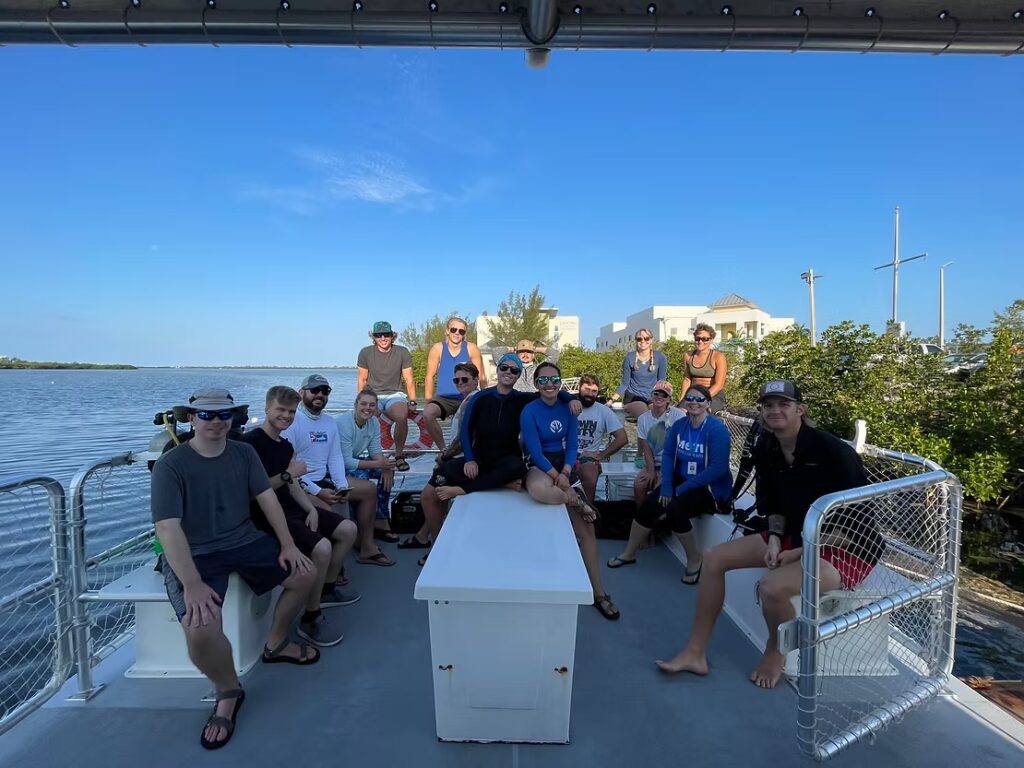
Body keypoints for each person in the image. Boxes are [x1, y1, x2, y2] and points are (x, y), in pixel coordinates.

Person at [655, 379, 882, 690]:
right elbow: (771, 504)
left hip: (846, 546)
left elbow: (857, 524)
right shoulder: (767, 447)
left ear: (801, 410)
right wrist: (775, 539)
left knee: (771, 588)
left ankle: (775, 652)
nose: (775, 410)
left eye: (784, 404)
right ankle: (695, 652)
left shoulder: (834, 453)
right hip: (797, 534)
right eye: (768, 405)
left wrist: (801, 552)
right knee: (713, 558)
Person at [153, 387, 317, 750]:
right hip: (193, 552)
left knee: (305, 571)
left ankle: (276, 643)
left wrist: (288, 545)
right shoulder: (171, 465)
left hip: (242, 539)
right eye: (207, 415)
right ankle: (228, 690)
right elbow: (167, 528)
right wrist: (191, 583)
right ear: (191, 418)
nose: (216, 422)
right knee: (199, 630)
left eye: (224, 415)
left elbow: (267, 498)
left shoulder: (243, 454)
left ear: (234, 418)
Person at [243, 386, 360, 648]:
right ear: (266, 408)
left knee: (348, 530)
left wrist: (309, 508)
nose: (286, 416)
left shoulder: (285, 445)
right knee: (322, 547)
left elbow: (293, 483)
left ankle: (326, 589)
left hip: (293, 507)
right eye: (280, 410)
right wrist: (289, 474)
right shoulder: (250, 444)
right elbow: (253, 494)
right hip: (266, 515)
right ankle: (311, 617)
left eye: (291, 412)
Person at [521, 362, 619, 621]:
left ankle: (598, 593)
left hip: (564, 465)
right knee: (539, 490)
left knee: (587, 532)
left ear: (561, 382)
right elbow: (534, 451)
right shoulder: (529, 411)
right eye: (543, 380)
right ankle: (575, 501)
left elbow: (573, 445)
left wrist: (565, 473)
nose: (549, 384)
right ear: (536, 384)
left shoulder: (569, 410)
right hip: (542, 466)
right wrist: (559, 481)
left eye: (554, 379)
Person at [608, 384, 731, 580]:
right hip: (680, 478)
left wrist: (680, 489)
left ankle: (694, 559)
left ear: (708, 404)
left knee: (675, 509)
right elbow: (668, 457)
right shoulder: (680, 426)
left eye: (700, 399)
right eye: (690, 398)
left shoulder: (716, 429)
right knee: (649, 504)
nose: (694, 402)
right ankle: (629, 552)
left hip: (707, 488)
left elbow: (718, 469)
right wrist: (666, 486)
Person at [427, 352, 581, 505]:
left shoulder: (522, 399)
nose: (508, 372)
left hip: (507, 462)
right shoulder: (480, 398)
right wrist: (469, 459)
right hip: (479, 459)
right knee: (433, 488)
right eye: (504, 367)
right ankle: (501, 483)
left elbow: (549, 390)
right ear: (498, 369)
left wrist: (571, 399)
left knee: (518, 467)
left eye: (514, 370)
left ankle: (464, 489)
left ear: (518, 375)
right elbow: (465, 431)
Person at [410, 361, 481, 564]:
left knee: (428, 497)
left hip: (461, 461)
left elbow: (466, 437)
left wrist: (445, 456)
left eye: (465, 379)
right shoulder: (468, 399)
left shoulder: (471, 401)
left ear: (476, 380)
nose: (460, 383)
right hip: (461, 458)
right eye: (456, 380)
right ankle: (425, 536)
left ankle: (438, 547)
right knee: (438, 498)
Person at [337, 388, 399, 566]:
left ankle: (379, 519)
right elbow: (347, 461)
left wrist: (385, 467)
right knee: (362, 475)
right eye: (363, 404)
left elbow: (375, 451)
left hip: (354, 461)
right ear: (355, 405)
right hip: (336, 466)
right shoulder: (344, 424)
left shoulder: (373, 423)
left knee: (385, 473)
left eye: (372, 405)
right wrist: (379, 464)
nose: (368, 408)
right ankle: (361, 533)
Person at [357, 321, 417, 471]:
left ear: (392, 335)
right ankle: (369, 455)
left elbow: (409, 379)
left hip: (394, 395)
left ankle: (398, 455)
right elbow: (362, 379)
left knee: (402, 415)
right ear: (373, 336)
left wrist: (412, 400)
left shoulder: (402, 352)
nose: (383, 338)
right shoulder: (365, 352)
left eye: (386, 334)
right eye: (378, 335)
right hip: (372, 395)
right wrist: (360, 400)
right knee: (367, 416)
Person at [421, 316, 487, 451]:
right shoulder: (438, 348)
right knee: (428, 413)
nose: (457, 333)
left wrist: (484, 397)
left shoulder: (471, 348)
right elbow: (429, 377)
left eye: (461, 331)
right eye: (454, 329)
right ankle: (444, 450)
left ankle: (473, 451)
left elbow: (481, 376)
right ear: (447, 331)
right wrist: (428, 401)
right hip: (444, 398)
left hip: (467, 397)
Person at [574, 374, 629, 506]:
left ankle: (588, 509)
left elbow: (622, 438)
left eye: (594, 391)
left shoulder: (603, 411)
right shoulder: (568, 406)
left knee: (589, 472)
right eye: (586, 389)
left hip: (587, 456)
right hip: (564, 453)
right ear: (579, 388)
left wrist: (601, 455)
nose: (590, 394)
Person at [630, 379, 684, 510]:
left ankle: (658, 523)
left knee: (658, 490)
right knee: (638, 486)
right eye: (656, 393)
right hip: (654, 463)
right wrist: (650, 471)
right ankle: (642, 518)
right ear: (651, 395)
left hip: (673, 465)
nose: (659, 397)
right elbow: (646, 447)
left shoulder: (679, 416)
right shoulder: (643, 419)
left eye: (664, 395)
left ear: (669, 400)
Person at [609, 328, 668, 418]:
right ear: (636, 341)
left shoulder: (660, 357)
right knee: (645, 415)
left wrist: (666, 399)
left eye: (646, 338)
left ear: (651, 340)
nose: (643, 341)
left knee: (658, 414)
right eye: (639, 339)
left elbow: (662, 382)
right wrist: (611, 400)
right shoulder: (629, 357)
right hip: (633, 397)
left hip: (652, 397)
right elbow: (625, 383)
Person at [680, 323, 728, 413]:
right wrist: (682, 400)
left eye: (705, 339)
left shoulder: (718, 357)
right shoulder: (688, 355)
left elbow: (719, 385)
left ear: (711, 340)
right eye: (697, 338)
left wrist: (701, 398)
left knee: (702, 412)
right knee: (678, 413)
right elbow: (687, 380)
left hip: (713, 395)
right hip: (693, 393)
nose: (700, 342)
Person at [491, 339, 559, 393]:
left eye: (529, 352)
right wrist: (514, 349)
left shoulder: (540, 368)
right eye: (522, 351)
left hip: (534, 402)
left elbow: (554, 354)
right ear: (517, 353)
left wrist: (535, 348)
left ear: (533, 355)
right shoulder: (511, 368)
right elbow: (496, 352)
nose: (525, 354)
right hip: (515, 402)